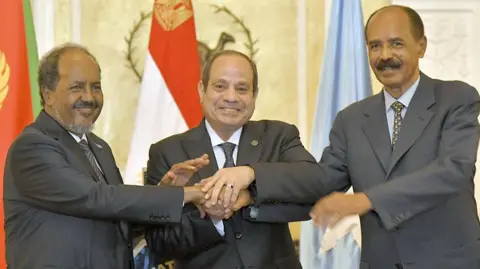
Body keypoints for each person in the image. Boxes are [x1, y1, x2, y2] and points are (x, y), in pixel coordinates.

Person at [201, 5, 480, 269]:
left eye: (396, 43)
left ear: (421, 45)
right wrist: (252, 181)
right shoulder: (352, 119)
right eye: (374, 45)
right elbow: (320, 181)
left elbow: (452, 170)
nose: (385, 55)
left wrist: (366, 200)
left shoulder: (456, 98)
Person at [3, 43, 206, 269]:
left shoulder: (99, 148)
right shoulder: (32, 146)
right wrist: (183, 194)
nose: (89, 97)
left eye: (96, 87)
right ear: (47, 94)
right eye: (77, 87)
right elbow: (95, 198)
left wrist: (163, 192)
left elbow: (117, 216)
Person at [144, 50, 318, 269]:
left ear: (254, 95)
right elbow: (159, 243)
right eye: (220, 86)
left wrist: (251, 182)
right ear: (201, 90)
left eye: (242, 88)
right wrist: (210, 216)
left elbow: (314, 187)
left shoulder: (279, 137)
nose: (231, 97)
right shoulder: (167, 152)